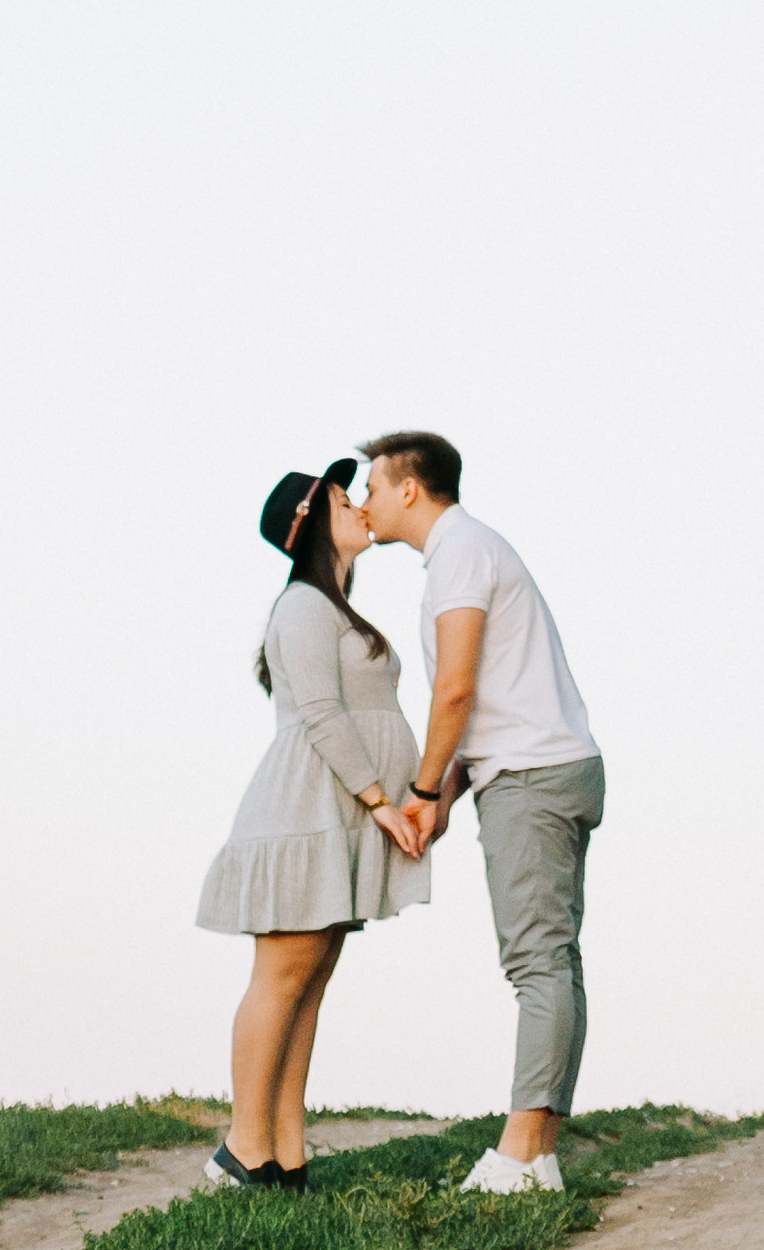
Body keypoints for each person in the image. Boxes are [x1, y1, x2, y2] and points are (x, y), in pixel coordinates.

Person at [360, 430, 602, 1197]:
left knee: (537, 962)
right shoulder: (470, 550)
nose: (363, 503)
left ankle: (521, 1155)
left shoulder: (460, 551)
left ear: (408, 488)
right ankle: (542, 1154)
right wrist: (446, 795)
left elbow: (456, 690)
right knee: (556, 961)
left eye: (371, 486)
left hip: (532, 778)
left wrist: (426, 791)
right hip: (546, 765)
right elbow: (486, 700)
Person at [194, 457, 446, 1191]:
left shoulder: (332, 606)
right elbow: (321, 715)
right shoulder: (301, 606)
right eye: (344, 499)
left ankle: (287, 1152)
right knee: (282, 977)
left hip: (337, 815)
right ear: (311, 526)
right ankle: (242, 1149)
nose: (360, 505)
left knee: (311, 979)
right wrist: (380, 802)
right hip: (306, 812)